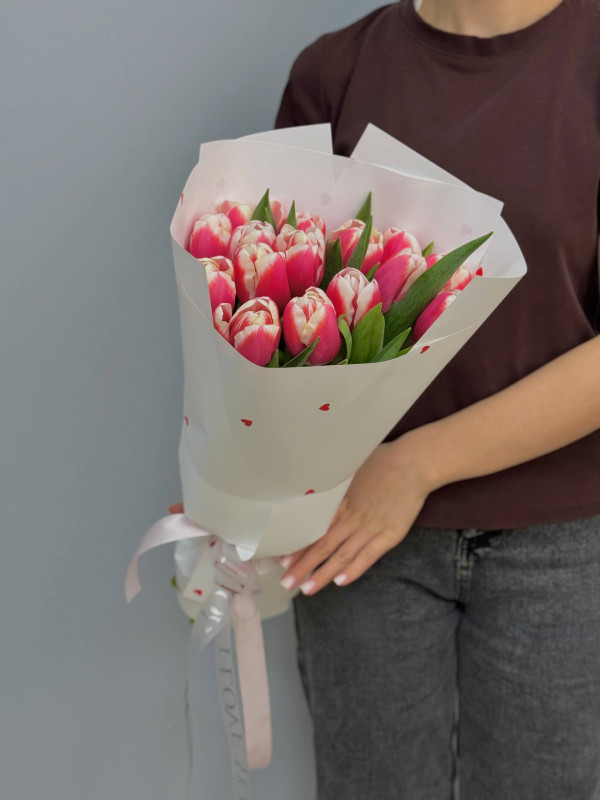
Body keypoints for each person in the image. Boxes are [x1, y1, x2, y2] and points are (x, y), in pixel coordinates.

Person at [267, 1, 600, 798]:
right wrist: (242, 479)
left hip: (565, 548)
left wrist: (415, 465)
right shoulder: (335, 72)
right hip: (359, 543)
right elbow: (277, 314)